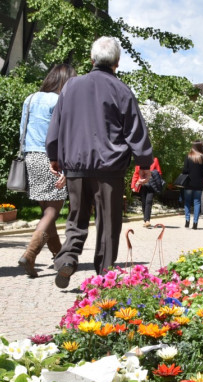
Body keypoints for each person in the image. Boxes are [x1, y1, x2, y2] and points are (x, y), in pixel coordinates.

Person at [47, 36, 152, 287]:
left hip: (75, 164)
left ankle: (68, 259)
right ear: (117, 62)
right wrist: (144, 163)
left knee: (76, 217)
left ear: (91, 59)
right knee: (108, 222)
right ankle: (104, 275)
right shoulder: (122, 90)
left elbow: (56, 124)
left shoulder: (71, 86)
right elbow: (135, 131)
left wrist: (54, 155)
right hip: (109, 167)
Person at [17, 64, 75, 278]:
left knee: (46, 211)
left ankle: (60, 256)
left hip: (31, 156)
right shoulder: (60, 100)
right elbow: (63, 135)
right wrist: (65, 165)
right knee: (53, 210)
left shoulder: (30, 98)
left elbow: (22, 129)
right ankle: (30, 253)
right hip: (51, 158)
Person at [130, 157, 163, 228]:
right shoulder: (139, 160)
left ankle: (147, 220)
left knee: (149, 201)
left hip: (151, 185)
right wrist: (133, 186)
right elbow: (136, 174)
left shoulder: (155, 160)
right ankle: (145, 220)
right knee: (144, 202)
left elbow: (159, 172)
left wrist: (152, 175)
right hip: (142, 185)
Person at [181, 141, 203, 229]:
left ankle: (187, 221)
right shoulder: (202, 158)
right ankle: (195, 222)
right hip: (198, 183)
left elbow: (184, 170)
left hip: (189, 182)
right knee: (197, 202)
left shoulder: (188, 156)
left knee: (187, 202)